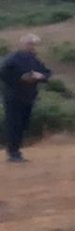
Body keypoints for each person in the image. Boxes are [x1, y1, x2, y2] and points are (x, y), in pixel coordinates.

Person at [0, 34, 52, 163]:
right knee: (14, 124)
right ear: (23, 44)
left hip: (28, 97)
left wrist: (41, 76)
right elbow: (2, 72)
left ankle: (16, 151)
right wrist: (20, 78)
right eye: (30, 44)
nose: (33, 47)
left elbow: (47, 72)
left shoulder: (34, 60)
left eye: (34, 44)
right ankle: (13, 153)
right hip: (13, 97)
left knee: (23, 124)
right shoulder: (12, 59)